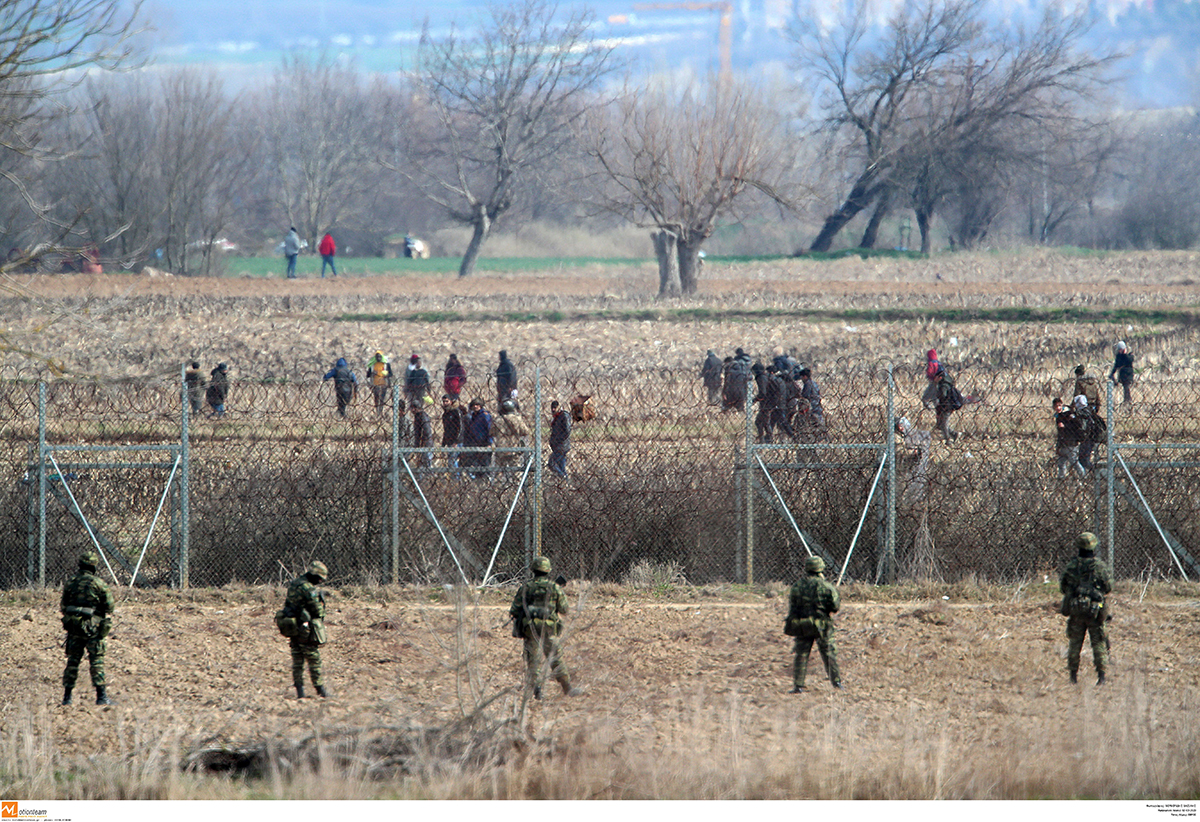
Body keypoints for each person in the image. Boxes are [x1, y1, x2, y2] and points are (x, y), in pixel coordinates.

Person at [509, 556, 577, 699]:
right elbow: (564, 609)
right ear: (548, 570)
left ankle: (538, 690)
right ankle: (567, 688)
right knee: (556, 659)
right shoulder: (554, 588)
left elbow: (514, 609)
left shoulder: (526, 588)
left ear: (533, 570)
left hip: (530, 629)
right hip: (549, 629)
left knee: (533, 661)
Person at [60, 551, 115, 706]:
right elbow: (110, 607)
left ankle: (67, 698)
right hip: (94, 629)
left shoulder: (71, 582)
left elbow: (63, 606)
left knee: (72, 662)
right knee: (96, 661)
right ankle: (101, 696)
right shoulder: (99, 583)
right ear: (94, 567)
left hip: (75, 628)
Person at [1058, 532, 1113, 685]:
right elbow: (1108, 587)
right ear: (1094, 546)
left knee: (1075, 643)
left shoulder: (1071, 566)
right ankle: (1101, 677)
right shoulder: (1100, 567)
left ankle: (1073, 677)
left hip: (1076, 611)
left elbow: (1063, 588)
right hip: (1095, 612)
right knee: (1099, 643)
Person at [784, 555, 842, 693]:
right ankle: (837, 683)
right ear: (820, 569)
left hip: (803, 624)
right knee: (829, 654)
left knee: (801, 654)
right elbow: (835, 607)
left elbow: (793, 608)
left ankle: (798, 685)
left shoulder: (797, 587)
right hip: (822, 625)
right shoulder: (826, 586)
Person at [282, 560, 330, 698]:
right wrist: (321, 604)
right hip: (305, 628)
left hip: (292, 626)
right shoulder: (308, 588)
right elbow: (317, 611)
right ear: (315, 575)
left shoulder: (295, 583)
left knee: (297, 660)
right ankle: (320, 690)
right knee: (314, 659)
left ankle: (300, 692)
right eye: (320, 578)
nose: (320, 581)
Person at [1054, 397, 1085, 479]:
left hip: (1071, 442)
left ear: (1062, 405)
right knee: (1061, 463)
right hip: (1063, 443)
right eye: (1056, 406)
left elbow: (1076, 426)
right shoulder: (1058, 416)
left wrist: (1065, 426)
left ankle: (1083, 476)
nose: (1058, 408)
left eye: (1059, 405)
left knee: (1074, 462)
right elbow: (1060, 433)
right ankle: (1061, 478)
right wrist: (1058, 445)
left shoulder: (1069, 414)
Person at [494, 398, 530, 468]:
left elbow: (492, 432)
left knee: (499, 469)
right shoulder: (517, 419)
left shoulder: (498, 420)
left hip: (501, 447)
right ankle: (517, 478)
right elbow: (526, 431)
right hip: (514, 446)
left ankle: (499, 478)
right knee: (515, 468)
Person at [462, 397, 494, 477]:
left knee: (485, 465)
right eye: (474, 405)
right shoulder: (473, 416)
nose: (475, 406)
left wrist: (489, 442)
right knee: (476, 466)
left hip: (484, 443)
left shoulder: (485, 415)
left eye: (477, 405)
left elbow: (490, 429)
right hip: (475, 444)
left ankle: (486, 480)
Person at [1074, 394, 1106, 471]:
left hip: (1087, 439)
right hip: (1092, 438)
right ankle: (1094, 474)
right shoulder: (1090, 411)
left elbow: (1082, 428)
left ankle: (1096, 472)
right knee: (1086, 458)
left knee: (1084, 460)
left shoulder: (1082, 413)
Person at [441, 394, 466, 473]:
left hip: (456, 442)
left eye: (447, 401)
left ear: (451, 401)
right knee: (451, 462)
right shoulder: (445, 415)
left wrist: (456, 441)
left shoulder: (456, 412)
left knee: (454, 461)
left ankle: (456, 479)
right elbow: (446, 430)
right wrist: (443, 443)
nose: (445, 403)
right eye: (444, 401)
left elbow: (460, 427)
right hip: (450, 441)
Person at [797, 367, 825, 438]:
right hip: (817, 406)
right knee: (819, 425)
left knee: (814, 425)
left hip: (812, 407)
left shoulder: (808, 384)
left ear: (805, 376)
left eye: (802, 377)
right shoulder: (814, 383)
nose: (802, 379)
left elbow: (805, 396)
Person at [549, 399, 571, 478]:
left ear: (559, 407)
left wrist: (558, 440)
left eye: (555, 407)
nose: (553, 409)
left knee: (552, 463)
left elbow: (567, 431)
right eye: (552, 408)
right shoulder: (556, 417)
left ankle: (563, 477)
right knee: (561, 467)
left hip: (561, 446)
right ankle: (565, 483)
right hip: (558, 446)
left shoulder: (564, 415)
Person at [367, 350, 393, 414]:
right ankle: (377, 411)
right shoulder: (372, 365)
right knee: (376, 399)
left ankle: (380, 412)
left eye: (379, 356)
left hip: (384, 384)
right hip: (375, 385)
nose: (378, 358)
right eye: (377, 356)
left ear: (382, 357)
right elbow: (367, 375)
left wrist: (386, 375)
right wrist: (372, 373)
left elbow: (391, 374)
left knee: (382, 399)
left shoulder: (386, 364)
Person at [412, 395, 434, 467]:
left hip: (426, 443)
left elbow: (427, 431)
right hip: (422, 443)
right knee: (421, 463)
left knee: (427, 462)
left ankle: (428, 477)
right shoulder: (417, 416)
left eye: (412, 408)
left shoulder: (423, 416)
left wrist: (423, 442)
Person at [1109, 341, 1134, 405]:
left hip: (1128, 374)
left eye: (1121, 349)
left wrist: (1125, 354)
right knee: (1125, 387)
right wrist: (1112, 373)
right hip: (1122, 374)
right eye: (1119, 349)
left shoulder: (1129, 354)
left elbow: (1130, 360)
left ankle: (1128, 400)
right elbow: (1116, 365)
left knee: (1126, 386)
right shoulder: (1118, 356)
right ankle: (1127, 400)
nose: (1120, 351)